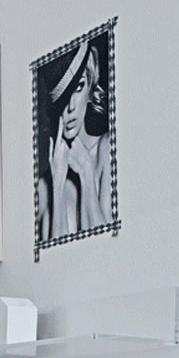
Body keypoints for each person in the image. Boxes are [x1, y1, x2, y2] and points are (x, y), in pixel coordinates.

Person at [37, 38, 110, 241]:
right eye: (64, 96)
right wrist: (57, 183)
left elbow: (106, 245)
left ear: (90, 86)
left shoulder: (106, 149)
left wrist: (86, 173)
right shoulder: (44, 185)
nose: (70, 107)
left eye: (78, 87)